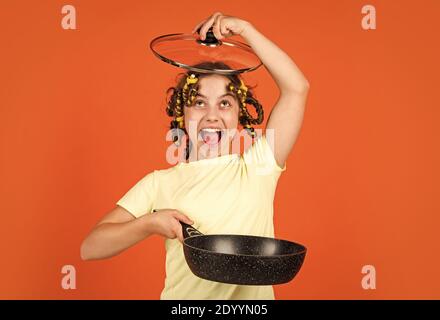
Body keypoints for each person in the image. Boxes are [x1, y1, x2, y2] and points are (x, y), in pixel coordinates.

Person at [80, 12, 310, 300]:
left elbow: (297, 88)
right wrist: (150, 223)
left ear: (239, 112)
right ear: (183, 112)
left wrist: (246, 30)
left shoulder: (258, 166)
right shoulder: (159, 183)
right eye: (199, 102)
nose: (212, 115)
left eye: (224, 103)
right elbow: (90, 248)